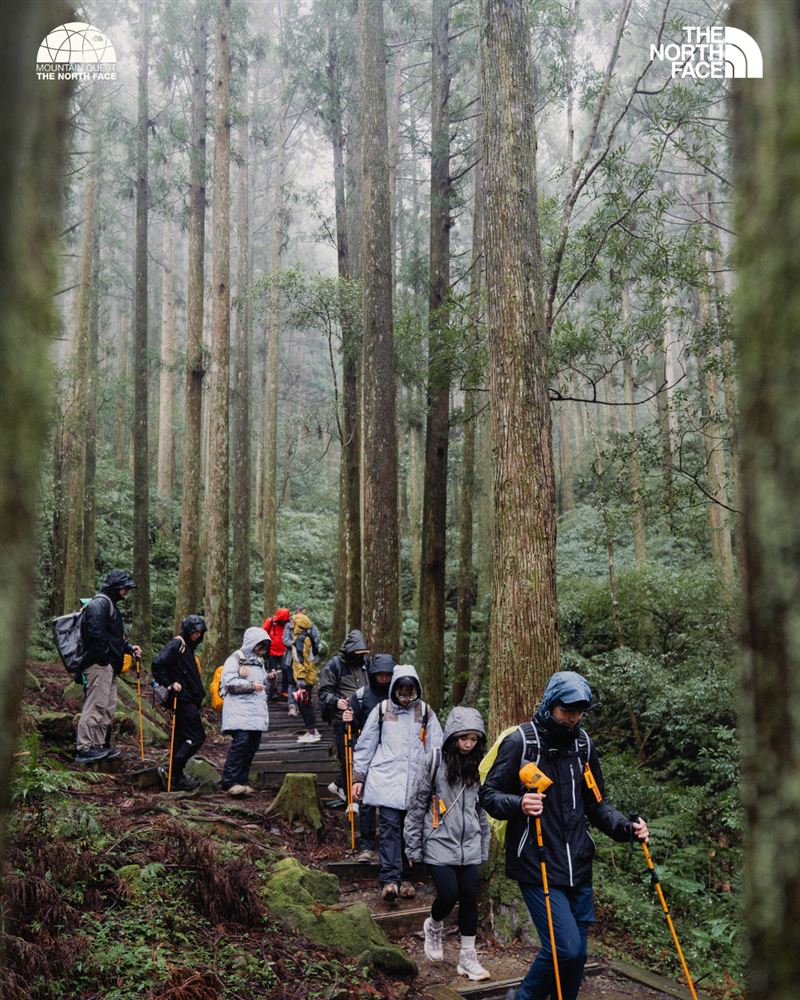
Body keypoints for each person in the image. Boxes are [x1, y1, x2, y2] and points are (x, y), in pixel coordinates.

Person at [479, 671, 650, 1000]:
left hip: (579, 865)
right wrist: (519, 803)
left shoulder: (584, 745)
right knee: (566, 950)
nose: (573, 719)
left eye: (579, 712)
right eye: (566, 711)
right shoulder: (522, 742)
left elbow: (598, 805)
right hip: (538, 862)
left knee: (576, 958)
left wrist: (626, 828)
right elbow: (488, 795)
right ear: (550, 705)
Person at [404, 706, 491, 982]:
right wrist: (412, 845)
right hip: (439, 839)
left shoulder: (478, 766)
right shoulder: (434, 761)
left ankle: (468, 957)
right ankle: (433, 924)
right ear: (453, 736)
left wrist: (484, 844)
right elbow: (417, 804)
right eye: (464, 738)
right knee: (449, 893)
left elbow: (481, 809)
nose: (468, 744)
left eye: (474, 739)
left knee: (469, 897)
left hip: (470, 843)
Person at [352, 664, 443, 904]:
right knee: (391, 830)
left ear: (416, 689)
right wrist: (358, 777)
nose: (405, 696)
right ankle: (389, 880)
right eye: (401, 690)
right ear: (394, 689)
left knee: (411, 832)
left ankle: (405, 878)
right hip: (387, 781)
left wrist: (436, 780)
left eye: (409, 691)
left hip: (416, 783)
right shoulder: (382, 710)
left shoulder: (425, 712)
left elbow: (436, 748)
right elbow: (366, 744)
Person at [75, 569, 142, 764]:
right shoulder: (100, 604)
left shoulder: (108, 604)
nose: (126, 591)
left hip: (109, 665)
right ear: (115, 587)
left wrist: (128, 649)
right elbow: (96, 634)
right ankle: (84, 748)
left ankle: (99, 745)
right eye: (124, 587)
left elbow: (113, 638)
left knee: (107, 707)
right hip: (99, 665)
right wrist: (103, 659)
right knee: (95, 705)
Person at [346, 652, 395, 862]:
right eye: (380, 675)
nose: (383, 679)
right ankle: (366, 846)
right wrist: (347, 719)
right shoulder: (360, 695)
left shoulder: (399, 695)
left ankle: (388, 846)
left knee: (389, 804)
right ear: (373, 674)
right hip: (367, 754)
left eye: (387, 675)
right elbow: (353, 724)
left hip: (392, 754)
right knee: (365, 802)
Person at [151, 614, 207, 792]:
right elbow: (158, 664)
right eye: (195, 632)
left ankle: (176, 777)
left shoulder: (188, 648)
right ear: (188, 630)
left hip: (190, 699)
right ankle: (172, 770)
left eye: (200, 633)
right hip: (182, 700)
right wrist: (169, 683)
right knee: (197, 737)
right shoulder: (177, 644)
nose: (197, 636)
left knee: (181, 738)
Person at [219, 627, 275, 797]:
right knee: (240, 744)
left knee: (252, 746)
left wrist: (270, 679)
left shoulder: (259, 661)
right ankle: (229, 781)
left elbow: (264, 685)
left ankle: (242, 781)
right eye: (259, 645)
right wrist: (251, 686)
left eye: (264, 646)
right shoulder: (236, 658)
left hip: (255, 711)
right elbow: (229, 683)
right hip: (239, 711)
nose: (261, 650)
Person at [318, 629, 370, 798]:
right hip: (342, 719)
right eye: (357, 653)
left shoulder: (366, 664)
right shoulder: (335, 665)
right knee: (347, 756)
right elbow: (324, 691)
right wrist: (335, 701)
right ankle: (350, 796)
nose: (359, 656)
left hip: (363, 718)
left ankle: (340, 785)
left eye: (362, 653)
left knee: (362, 757)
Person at [290, 611, 321, 743]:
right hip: (307, 677)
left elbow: (302, 660)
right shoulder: (306, 637)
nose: (291, 624)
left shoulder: (301, 639)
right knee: (304, 704)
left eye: (294, 621)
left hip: (305, 679)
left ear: (299, 624)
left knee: (305, 705)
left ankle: (312, 733)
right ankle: (312, 731)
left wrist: (301, 679)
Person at [262, 607, 291, 699]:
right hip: (271, 652)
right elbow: (262, 633)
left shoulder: (288, 624)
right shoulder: (270, 622)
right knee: (272, 672)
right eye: (283, 620)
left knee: (286, 669)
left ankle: (284, 690)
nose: (284, 622)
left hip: (283, 652)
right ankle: (273, 692)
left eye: (285, 620)